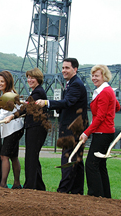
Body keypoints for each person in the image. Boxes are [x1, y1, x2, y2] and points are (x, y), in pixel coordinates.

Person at [36, 58, 88, 194]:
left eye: (67, 68)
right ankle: (77, 190)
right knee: (76, 159)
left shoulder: (76, 84)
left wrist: (47, 103)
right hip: (74, 126)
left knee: (68, 157)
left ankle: (63, 191)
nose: (64, 70)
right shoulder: (71, 83)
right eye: (63, 67)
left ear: (75, 69)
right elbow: (69, 104)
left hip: (73, 128)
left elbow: (68, 102)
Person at [79, 65, 120, 198]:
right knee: (100, 165)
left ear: (105, 77)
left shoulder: (105, 92)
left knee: (91, 164)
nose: (94, 78)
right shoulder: (106, 91)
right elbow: (117, 107)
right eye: (93, 75)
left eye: (97, 75)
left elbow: (100, 117)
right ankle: (105, 196)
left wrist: (86, 132)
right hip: (104, 132)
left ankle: (95, 196)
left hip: (103, 133)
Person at [5, 68, 48, 190]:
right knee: (33, 156)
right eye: (28, 77)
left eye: (32, 78)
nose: (29, 80)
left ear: (38, 79)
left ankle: (30, 186)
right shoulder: (36, 92)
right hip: (34, 127)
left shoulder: (38, 93)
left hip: (36, 128)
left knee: (31, 157)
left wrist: (12, 115)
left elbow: (25, 108)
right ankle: (39, 186)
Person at [0, 71, 24, 188]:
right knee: (13, 156)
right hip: (15, 128)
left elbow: (3, 115)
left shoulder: (9, 95)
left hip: (13, 129)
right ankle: (17, 184)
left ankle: (3, 184)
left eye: (2, 81)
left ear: (8, 82)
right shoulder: (7, 94)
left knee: (4, 156)